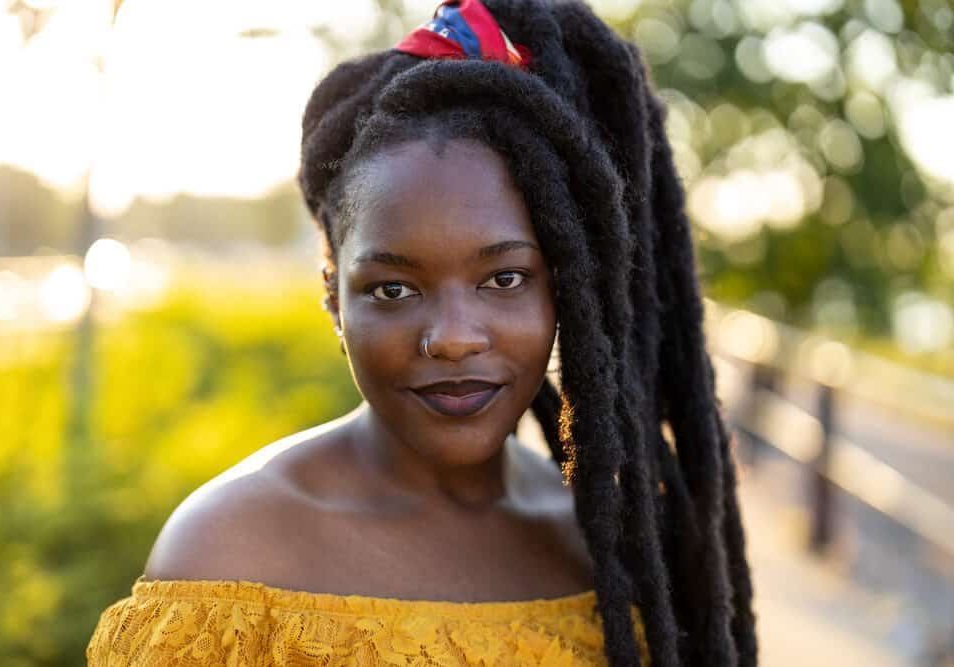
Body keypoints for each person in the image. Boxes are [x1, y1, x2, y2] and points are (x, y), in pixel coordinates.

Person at [86, 0, 758, 664]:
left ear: (570, 292)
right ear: (334, 300)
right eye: (394, 288)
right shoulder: (230, 556)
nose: (454, 337)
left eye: (504, 279)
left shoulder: (613, 540)